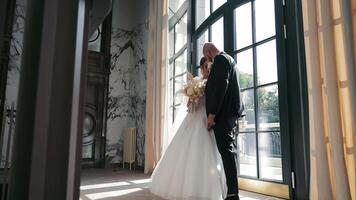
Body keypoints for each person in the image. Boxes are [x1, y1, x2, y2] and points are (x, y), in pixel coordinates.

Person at [150, 57, 227, 200]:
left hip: (206, 119)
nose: (207, 69)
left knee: (208, 151)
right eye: (205, 66)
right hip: (193, 118)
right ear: (201, 67)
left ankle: (208, 187)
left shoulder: (213, 81)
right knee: (188, 151)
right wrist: (193, 98)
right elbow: (188, 106)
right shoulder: (196, 81)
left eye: (209, 66)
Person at [204, 42, 244, 200]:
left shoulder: (220, 59)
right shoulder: (230, 59)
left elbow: (221, 86)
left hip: (223, 115)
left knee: (227, 153)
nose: (207, 59)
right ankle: (232, 191)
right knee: (229, 152)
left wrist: (212, 114)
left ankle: (233, 193)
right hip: (231, 113)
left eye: (206, 55)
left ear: (208, 52)